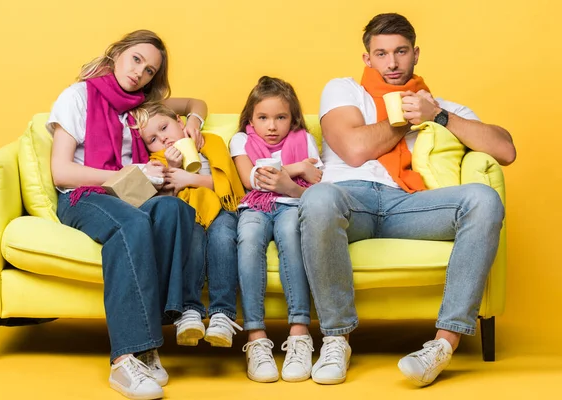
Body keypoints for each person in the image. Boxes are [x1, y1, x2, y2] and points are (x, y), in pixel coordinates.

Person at [299, 13, 516, 386]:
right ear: (367, 59)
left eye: (400, 52)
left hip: (410, 204)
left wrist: (440, 116)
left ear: (416, 53)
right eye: (381, 54)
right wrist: (406, 118)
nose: (392, 63)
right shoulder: (344, 90)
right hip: (351, 198)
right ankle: (336, 339)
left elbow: (505, 149)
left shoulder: (437, 106)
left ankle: (442, 345)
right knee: (317, 199)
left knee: (483, 198)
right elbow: (353, 150)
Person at [48, 30, 208, 400]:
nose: (140, 72)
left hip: (133, 191)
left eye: (150, 70)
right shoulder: (78, 96)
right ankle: (124, 360)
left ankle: (148, 345)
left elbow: (197, 101)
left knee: (172, 209)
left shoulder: (142, 106)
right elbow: (62, 172)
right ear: (118, 53)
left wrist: (194, 124)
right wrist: (127, 175)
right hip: (84, 195)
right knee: (132, 223)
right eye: (136, 59)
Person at [230, 76, 323, 383]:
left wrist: (294, 174)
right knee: (248, 239)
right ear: (250, 119)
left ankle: (299, 332)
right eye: (263, 118)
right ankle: (256, 337)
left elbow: (318, 179)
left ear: (292, 118)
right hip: (254, 205)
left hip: (292, 204)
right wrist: (296, 168)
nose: (272, 127)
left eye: (280, 118)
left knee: (292, 238)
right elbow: (251, 178)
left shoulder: (304, 139)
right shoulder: (241, 140)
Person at [133, 102, 245, 348]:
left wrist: (190, 179)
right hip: (188, 213)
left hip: (222, 208)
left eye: (164, 127)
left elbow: (233, 186)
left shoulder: (210, 142)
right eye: (153, 138)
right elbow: (165, 206)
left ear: (180, 121)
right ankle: (189, 311)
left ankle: (222, 314)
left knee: (223, 238)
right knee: (190, 240)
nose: (163, 139)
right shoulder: (156, 162)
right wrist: (173, 170)